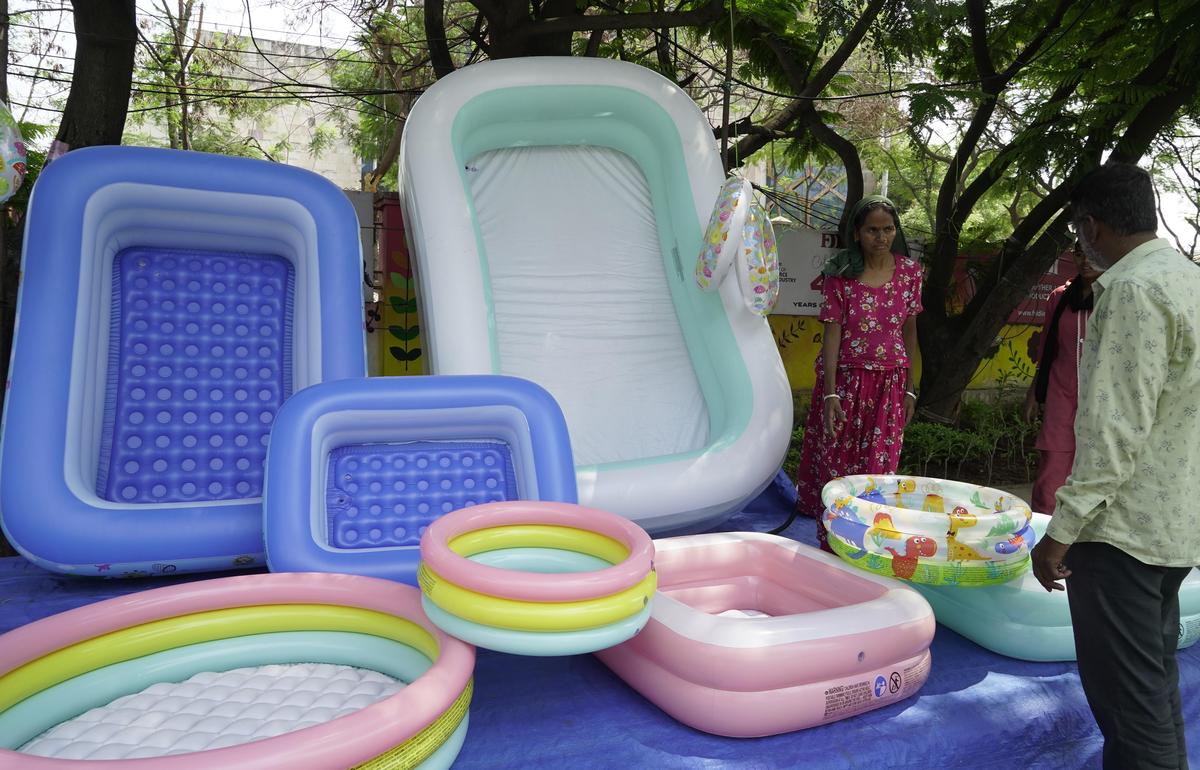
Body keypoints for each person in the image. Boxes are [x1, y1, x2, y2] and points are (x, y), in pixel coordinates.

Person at [1031, 162, 1200, 770]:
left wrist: (1060, 532)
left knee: (1131, 709)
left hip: (1120, 533)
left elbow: (1113, 433)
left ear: (1090, 225)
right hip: (1172, 527)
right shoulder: (1188, 278)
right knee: (1150, 693)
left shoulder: (1131, 291)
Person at [791, 195, 922, 551]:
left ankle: (870, 546)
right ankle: (833, 546)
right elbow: (832, 333)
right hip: (846, 384)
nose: (881, 237)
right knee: (837, 464)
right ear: (857, 233)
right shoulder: (841, 274)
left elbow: (910, 330)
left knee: (879, 468)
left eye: (888, 229)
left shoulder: (910, 273)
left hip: (889, 385)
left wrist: (911, 387)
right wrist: (831, 392)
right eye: (872, 230)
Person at [1022, 242, 1103, 513]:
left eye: (1093, 253)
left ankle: (1085, 548)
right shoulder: (1059, 297)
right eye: (1080, 253)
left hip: (1103, 402)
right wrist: (1035, 391)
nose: (1086, 260)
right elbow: (1047, 348)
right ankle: (1043, 542)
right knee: (1051, 477)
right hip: (1061, 397)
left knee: (1096, 475)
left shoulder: (1117, 294)